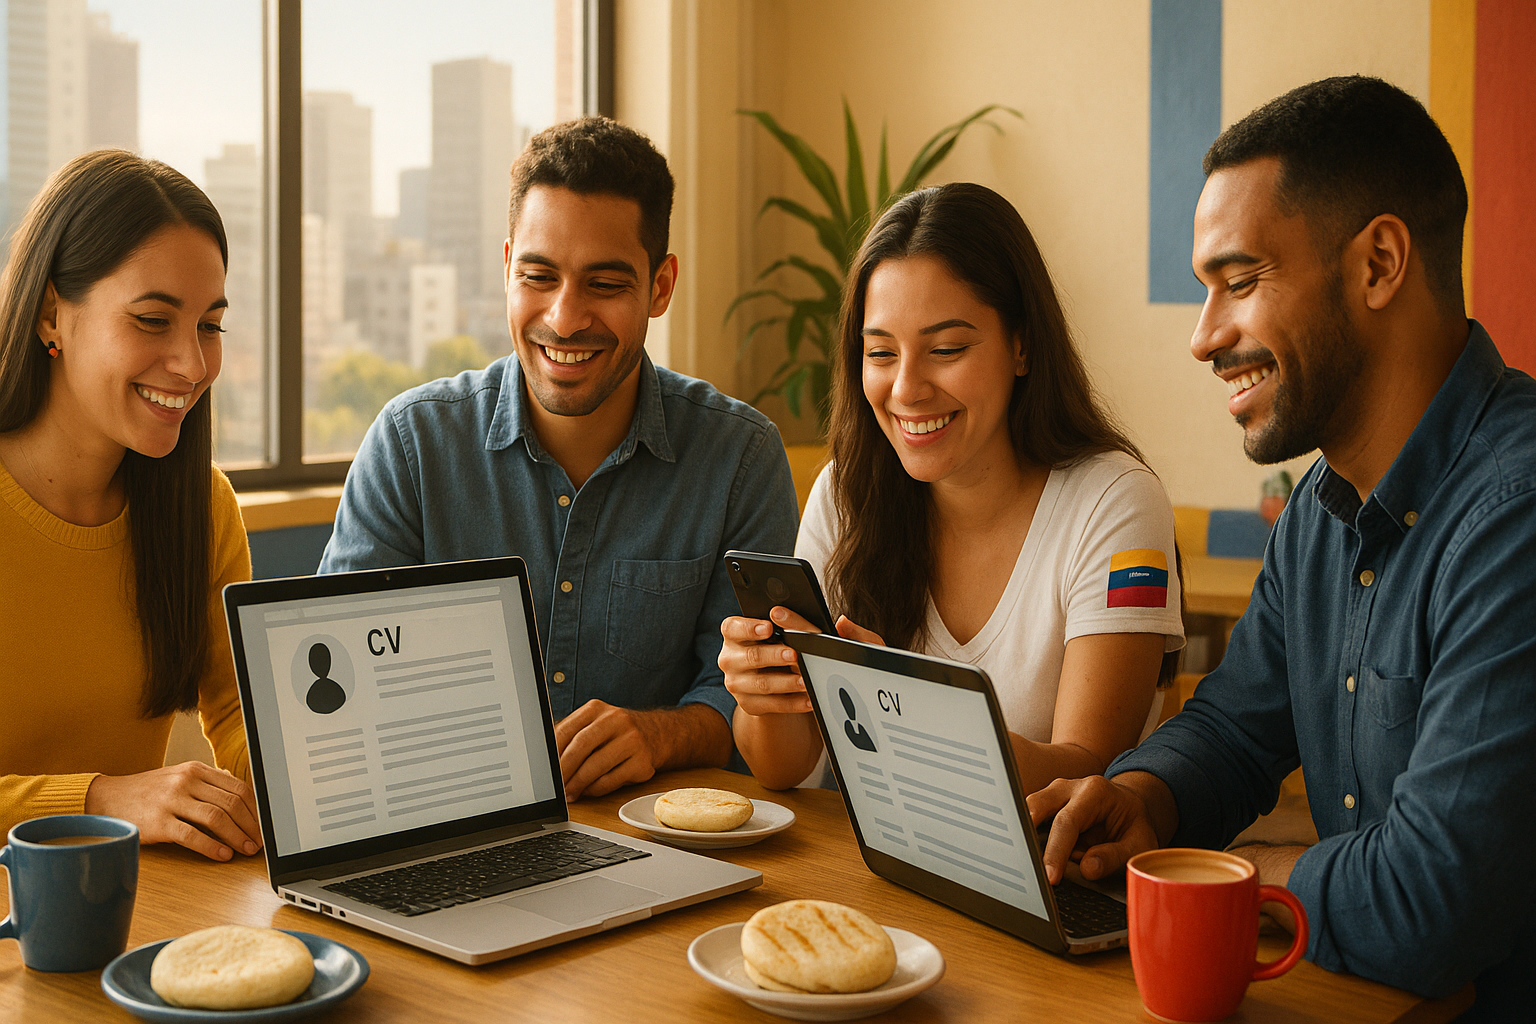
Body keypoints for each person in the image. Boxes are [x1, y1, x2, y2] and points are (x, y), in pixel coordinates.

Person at [1028, 76, 1536, 1020]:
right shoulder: (1318, 508)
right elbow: (1234, 726)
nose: (1203, 336)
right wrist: (1143, 798)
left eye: (1241, 280)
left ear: (1378, 264)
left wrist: (1232, 875)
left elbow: (1434, 900)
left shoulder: (1518, 512)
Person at [320, 117, 799, 801]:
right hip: (446, 829)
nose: (565, 318)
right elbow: (336, 690)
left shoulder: (741, 459)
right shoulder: (410, 445)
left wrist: (661, 735)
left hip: (658, 848)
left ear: (661, 287)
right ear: (508, 266)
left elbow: (743, 696)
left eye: (604, 284)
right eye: (539, 276)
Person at [720, 183, 1184, 793]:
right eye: (881, 353)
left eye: (946, 349)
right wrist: (765, 694)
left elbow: (1092, 769)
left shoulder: (1115, 501)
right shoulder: (845, 492)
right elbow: (784, 771)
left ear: (1022, 345)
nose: (907, 389)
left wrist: (899, 703)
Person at [0, 150, 261, 862]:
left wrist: (307, 785)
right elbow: (113, 800)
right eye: (152, 320)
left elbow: (239, 713)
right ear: (54, 315)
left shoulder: (202, 505)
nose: (191, 363)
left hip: (132, 908)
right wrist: (101, 798)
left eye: (211, 325)